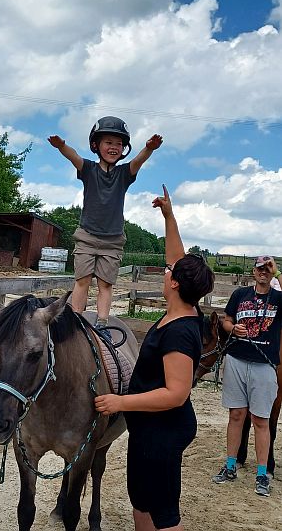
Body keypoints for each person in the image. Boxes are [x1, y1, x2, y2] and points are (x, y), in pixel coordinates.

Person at [95, 184, 214, 530]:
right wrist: (169, 216)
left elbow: (176, 394)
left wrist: (121, 402)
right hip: (148, 427)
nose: (166, 271)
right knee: (141, 500)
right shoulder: (184, 308)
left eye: (168, 272)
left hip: (163, 430)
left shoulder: (179, 332)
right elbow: (176, 257)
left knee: (163, 512)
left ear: (175, 284)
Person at [48, 116, 162, 331]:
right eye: (108, 142)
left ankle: (102, 324)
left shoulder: (124, 174)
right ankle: (76, 322)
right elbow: (74, 157)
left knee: (105, 284)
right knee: (82, 280)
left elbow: (138, 161)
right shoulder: (89, 169)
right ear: (96, 145)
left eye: (119, 144)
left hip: (113, 240)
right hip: (87, 236)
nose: (114, 147)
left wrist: (149, 149)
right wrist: (61, 146)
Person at [212, 255, 282, 497]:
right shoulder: (240, 295)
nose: (263, 272)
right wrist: (232, 328)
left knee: (261, 420)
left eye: (267, 269)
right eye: (260, 268)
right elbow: (227, 320)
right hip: (237, 360)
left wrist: (278, 272)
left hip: (264, 364)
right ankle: (230, 465)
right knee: (236, 415)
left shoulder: (278, 298)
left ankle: (262, 473)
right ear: (253, 271)